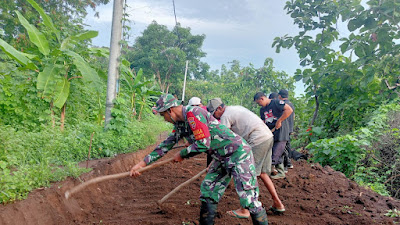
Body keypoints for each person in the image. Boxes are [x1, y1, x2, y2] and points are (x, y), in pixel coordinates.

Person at [130, 94, 268, 225]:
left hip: (238, 154)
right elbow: (165, 145)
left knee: (248, 199)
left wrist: (182, 154)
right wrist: (141, 164)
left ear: (170, 111)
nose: (163, 118)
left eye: (162, 114)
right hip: (221, 157)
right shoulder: (180, 124)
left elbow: (203, 143)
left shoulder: (194, 113)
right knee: (208, 190)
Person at [207, 98, 285, 218]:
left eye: (214, 114)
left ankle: (245, 209)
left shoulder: (225, 116)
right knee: (263, 174)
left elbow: (223, 140)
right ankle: (278, 203)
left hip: (257, 140)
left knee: (246, 173)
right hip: (267, 137)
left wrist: (214, 161)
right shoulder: (235, 108)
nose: (215, 117)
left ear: (219, 109)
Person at [254, 92, 293, 180]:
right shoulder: (262, 110)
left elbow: (289, 110)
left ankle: (276, 172)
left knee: (276, 153)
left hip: (281, 132)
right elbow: (264, 121)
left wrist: (279, 121)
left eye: (259, 103)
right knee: (271, 152)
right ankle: (278, 171)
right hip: (270, 133)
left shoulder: (276, 103)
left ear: (262, 98)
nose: (259, 105)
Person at [278, 89, 295, 172]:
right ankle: (289, 163)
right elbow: (293, 117)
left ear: (280, 96)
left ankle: (286, 165)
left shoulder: (283, 105)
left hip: (284, 128)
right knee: (287, 145)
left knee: (283, 146)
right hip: (290, 127)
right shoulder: (291, 104)